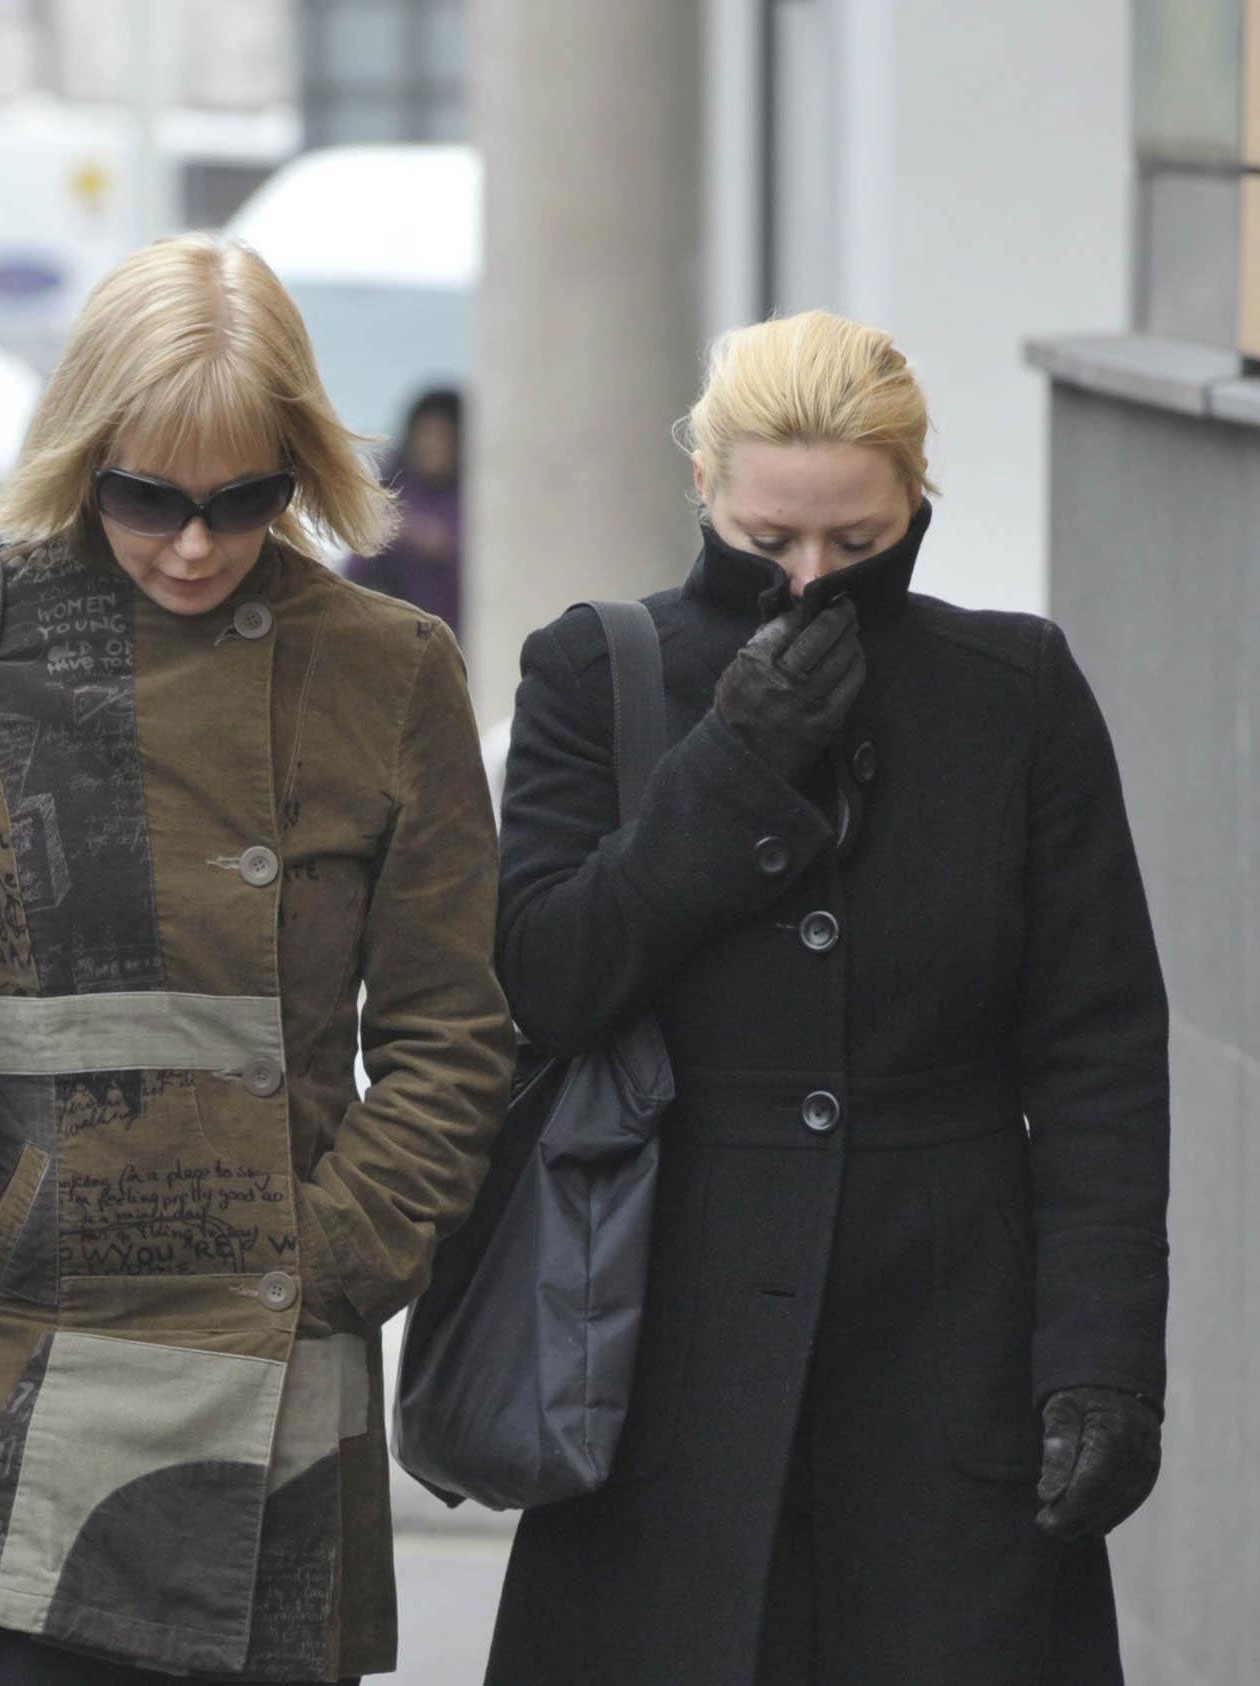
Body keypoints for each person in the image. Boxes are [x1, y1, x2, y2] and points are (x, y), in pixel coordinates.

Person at [0, 233, 516, 1685]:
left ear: (300, 469)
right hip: (4, 1367)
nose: (196, 544)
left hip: (272, 1380)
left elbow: (456, 1029)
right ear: (83, 455)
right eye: (149, 498)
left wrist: (332, 1252)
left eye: (243, 498)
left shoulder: (389, 670)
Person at [485, 310, 1169, 1685]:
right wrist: (728, 768)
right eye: (768, 540)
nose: (808, 580)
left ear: (917, 498)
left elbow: (1099, 1051)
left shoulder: (1016, 691)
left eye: (856, 545)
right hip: (660, 1356)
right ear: (704, 491)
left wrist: (1100, 1358)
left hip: (951, 1356)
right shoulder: (594, 671)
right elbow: (550, 978)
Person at [344, 387, 463, 637]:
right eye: (426, 436)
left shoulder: (474, 497)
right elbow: (356, 571)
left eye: (442, 437)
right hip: (407, 635)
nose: (433, 446)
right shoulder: (396, 490)